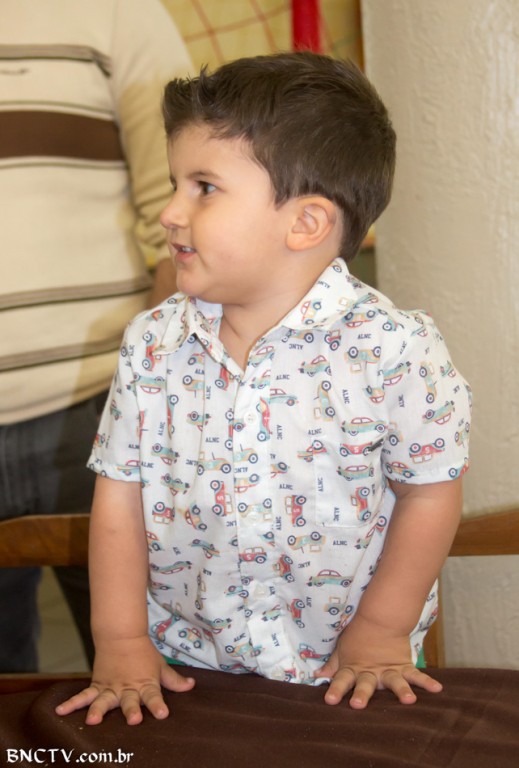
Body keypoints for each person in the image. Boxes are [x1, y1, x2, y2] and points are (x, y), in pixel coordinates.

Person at [56, 51, 471, 725]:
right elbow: (119, 500)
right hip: (190, 665)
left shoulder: (395, 349)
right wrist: (122, 641)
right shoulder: (151, 346)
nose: (169, 212)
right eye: (175, 184)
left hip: (352, 666)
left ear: (304, 223)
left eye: (203, 188)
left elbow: (429, 491)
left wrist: (381, 629)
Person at [0, 0, 192, 671]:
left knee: (151, 669)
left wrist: (151, 389)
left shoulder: (116, 11)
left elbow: (180, 211)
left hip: (102, 408)